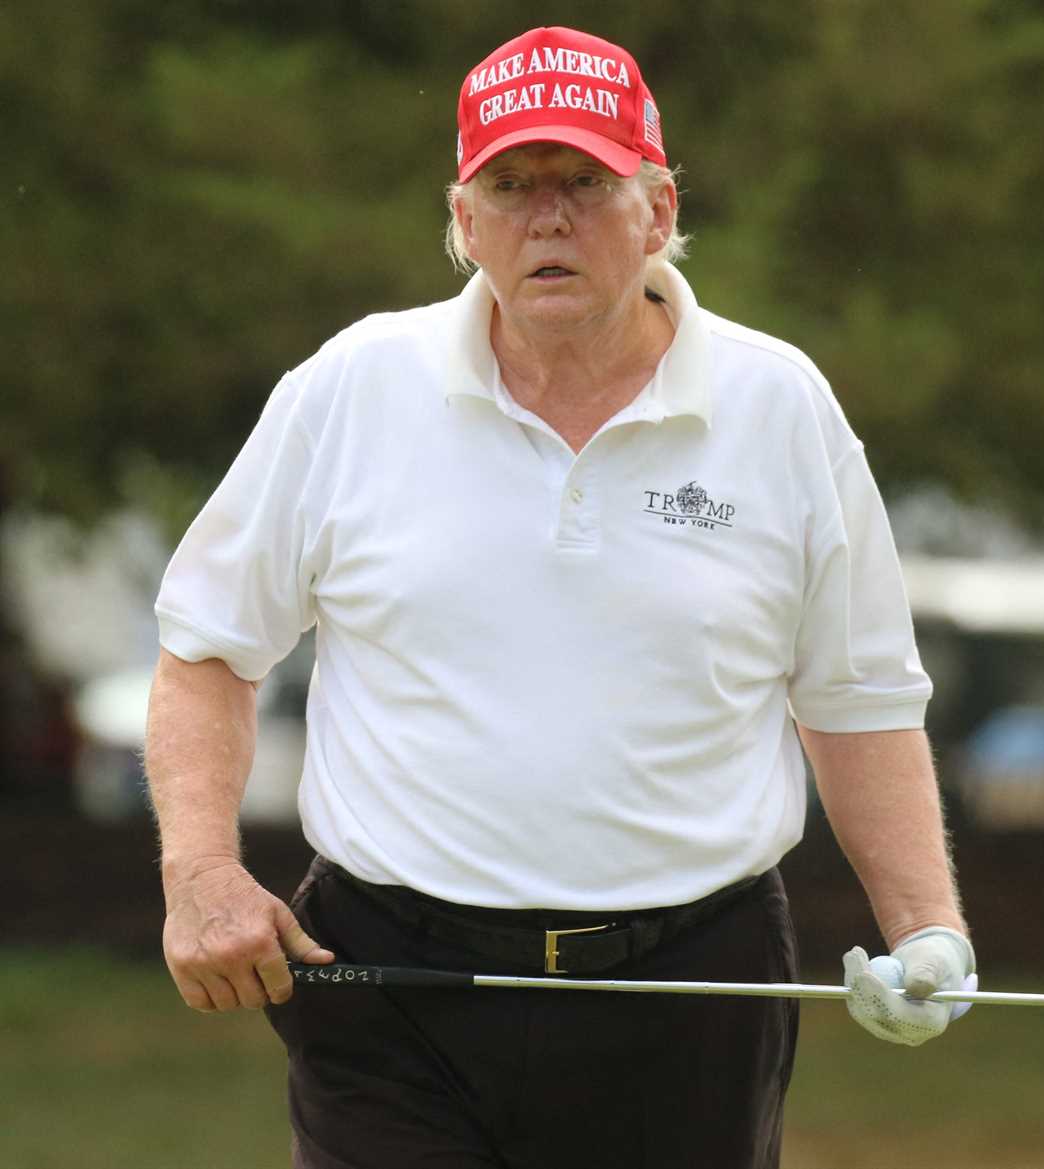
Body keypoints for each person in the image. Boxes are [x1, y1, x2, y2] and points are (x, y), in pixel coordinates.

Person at [146, 24, 974, 1169]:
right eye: (512, 185)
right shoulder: (348, 388)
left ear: (659, 210)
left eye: (586, 183)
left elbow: (856, 692)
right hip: (393, 983)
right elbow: (208, 650)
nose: (548, 218)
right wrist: (199, 872)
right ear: (463, 218)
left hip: (692, 982)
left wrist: (923, 926)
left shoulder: (778, 404)